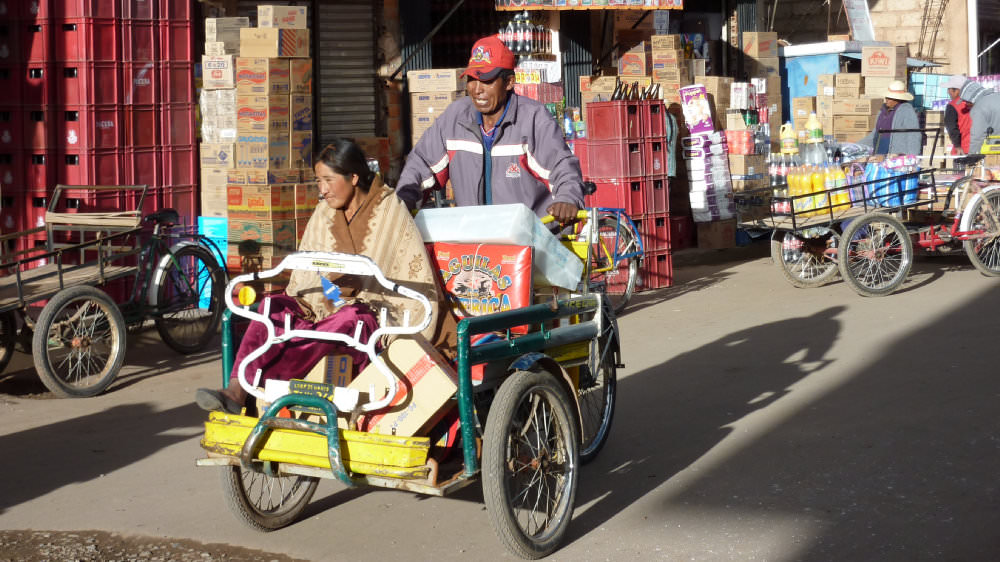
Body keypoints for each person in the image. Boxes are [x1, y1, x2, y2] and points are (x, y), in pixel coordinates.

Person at [196, 139, 455, 414]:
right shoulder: (324, 211)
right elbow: (308, 274)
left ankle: (273, 386)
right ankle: (235, 391)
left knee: (348, 321)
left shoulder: (391, 211)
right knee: (272, 310)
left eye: (329, 180)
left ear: (353, 177)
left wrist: (347, 300)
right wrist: (328, 295)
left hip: (373, 314)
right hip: (321, 306)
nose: (323, 190)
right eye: (318, 181)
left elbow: (407, 272)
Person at [396, 35, 584, 223]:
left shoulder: (533, 118)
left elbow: (561, 165)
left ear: (509, 82)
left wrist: (567, 198)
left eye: (486, 80)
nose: (477, 89)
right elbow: (420, 163)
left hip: (531, 238)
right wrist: (402, 200)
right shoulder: (455, 117)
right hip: (477, 240)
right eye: (471, 79)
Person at [858, 80, 921, 156]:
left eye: (890, 98)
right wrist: (857, 146)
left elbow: (914, 135)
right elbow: (874, 134)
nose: (887, 100)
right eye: (887, 97)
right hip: (880, 153)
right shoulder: (882, 111)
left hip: (896, 155)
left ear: (897, 99)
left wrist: (913, 156)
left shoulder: (906, 111)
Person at [960, 80, 1000, 155]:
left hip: (995, 151)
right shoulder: (997, 96)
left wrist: (972, 157)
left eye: (966, 101)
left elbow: (977, 137)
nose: (966, 105)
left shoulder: (979, 107)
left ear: (971, 99)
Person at [943, 75, 971, 155]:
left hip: (962, 149)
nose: (948, 92)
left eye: (949, 89)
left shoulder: (953, 106)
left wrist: (957, 146)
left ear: (957, 90)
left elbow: (952, 128)